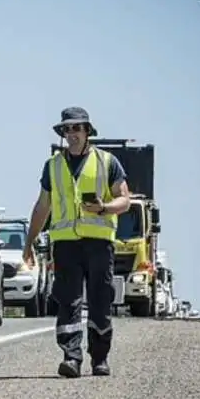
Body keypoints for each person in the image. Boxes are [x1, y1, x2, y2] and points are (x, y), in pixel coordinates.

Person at [23, 106, 130, 378]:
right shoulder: (53, 166)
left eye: (77, 128)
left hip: (99, 244)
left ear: (87, 132)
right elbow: (42, 206)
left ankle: (100, 358)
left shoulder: (108, 162)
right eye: (67, 129)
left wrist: (104, 208)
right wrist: (29, 241)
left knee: (99, 301)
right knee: (68, 301)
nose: (72, 134)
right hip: (66, 245)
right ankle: (71, 357)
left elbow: (125, 200)